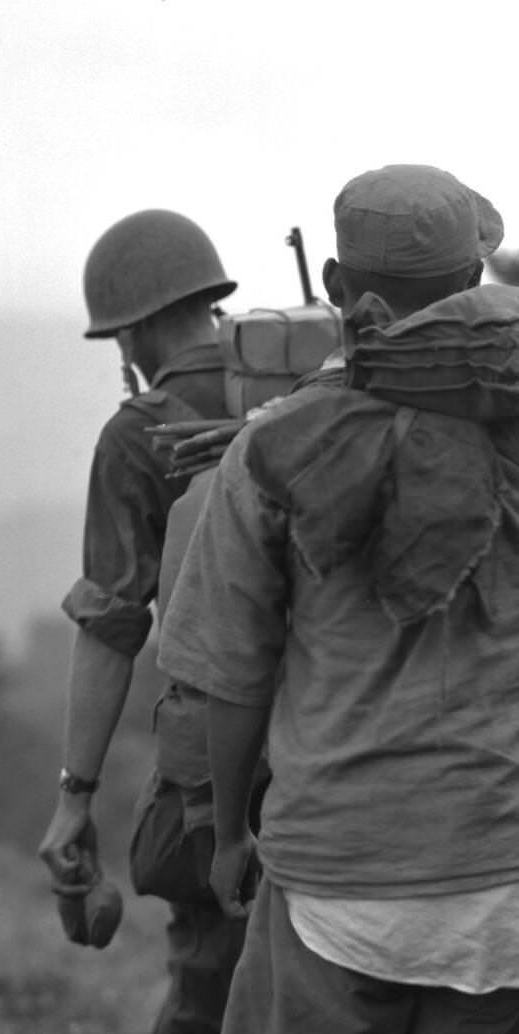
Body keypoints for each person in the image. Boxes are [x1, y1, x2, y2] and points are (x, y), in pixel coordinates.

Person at [159, 163, 519, 1034]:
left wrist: (231, 833)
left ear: (333, 287)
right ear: (474, 285)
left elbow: (235, 675)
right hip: (501, 872)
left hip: (335, 870)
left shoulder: (273, 449)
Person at [37, 208, 244, 1034]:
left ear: (141, 327)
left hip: (227, 772)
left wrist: (74, 797)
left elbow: (113, 625)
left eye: (122, 337)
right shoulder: (314, 386)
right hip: (355, 749)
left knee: (210, 993)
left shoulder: (141, 434)